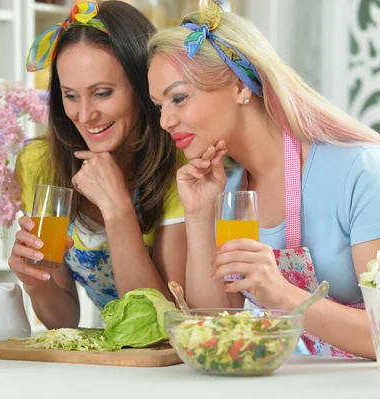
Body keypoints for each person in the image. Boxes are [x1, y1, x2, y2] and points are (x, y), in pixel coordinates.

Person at [147, 0, 380, 359]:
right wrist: (199, 215)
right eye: (159, 106)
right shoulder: (228, 186)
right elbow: (217, 324)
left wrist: (281, 294)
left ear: (241, 86)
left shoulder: (360, 171)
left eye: (179, 98)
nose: (166, 121)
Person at [9, 1, 187, 329]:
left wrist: (117, 208)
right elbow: (64, 319)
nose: (85, 115)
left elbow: (166, 323)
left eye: (102, 93)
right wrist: (36, 283)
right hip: (106, 367)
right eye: (71, 95)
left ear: (142, 85)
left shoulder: (181, 168)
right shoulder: (38, 164)